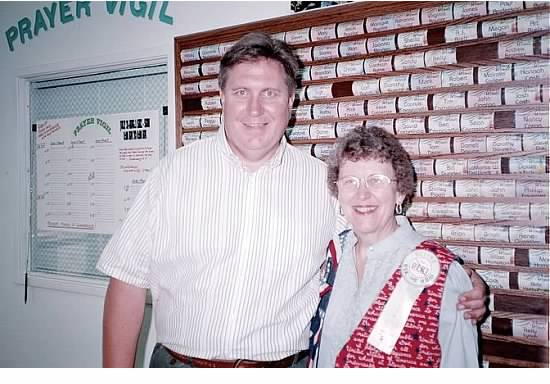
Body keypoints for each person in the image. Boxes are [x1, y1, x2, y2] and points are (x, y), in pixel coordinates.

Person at [97, 32, 487, 368]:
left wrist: (456, 279)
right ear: (222, 97)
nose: (255, 108)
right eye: (241, 92)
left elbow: (382, 238)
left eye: (270, 93)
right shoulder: (172, 173)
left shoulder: (324, 183)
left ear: (290, 102)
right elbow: (127, 280)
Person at [309, 126, 480, 368]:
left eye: (376, 180)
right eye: (350, 182)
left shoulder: (440, 271)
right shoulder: (332, 255)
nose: (362, 194)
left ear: (399, 191)